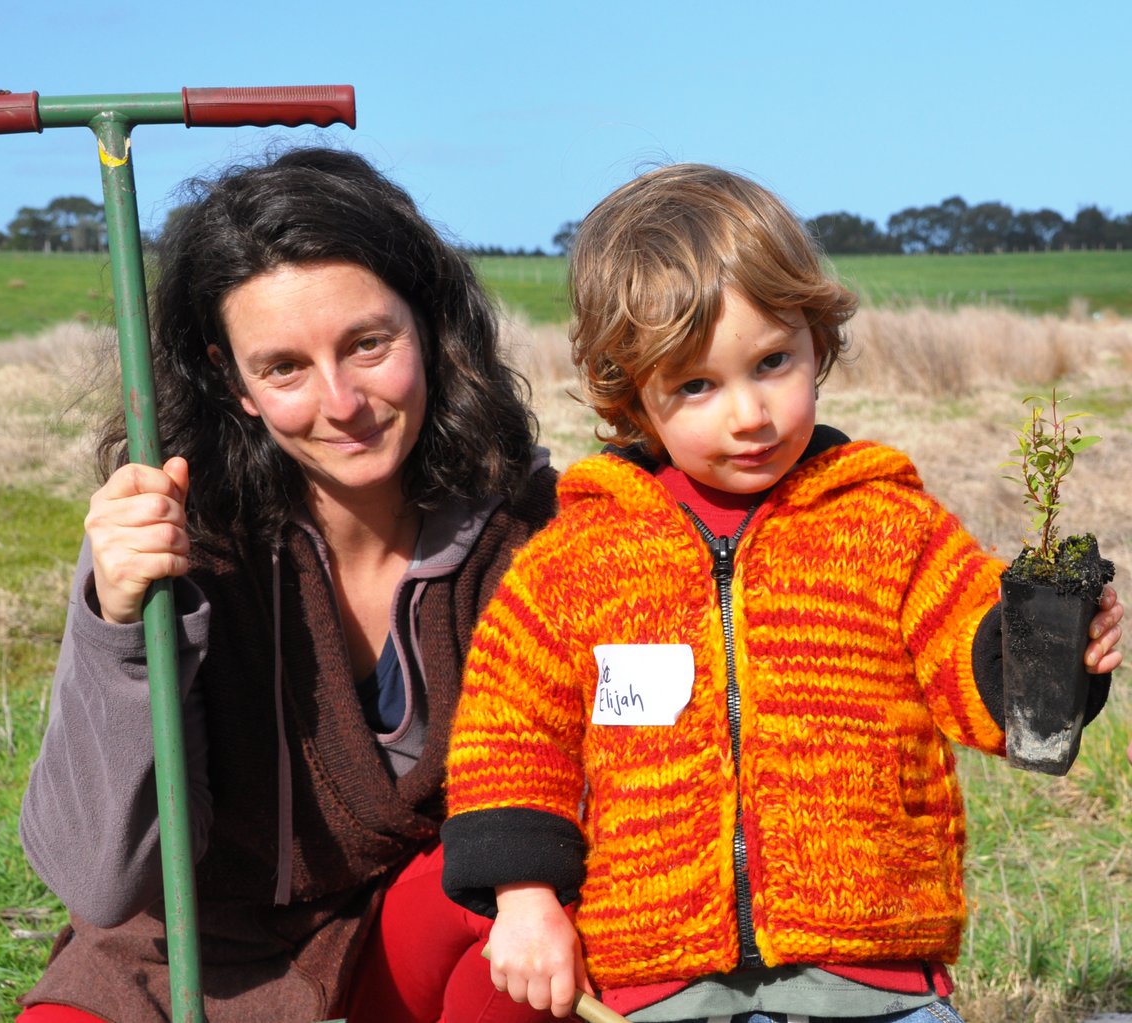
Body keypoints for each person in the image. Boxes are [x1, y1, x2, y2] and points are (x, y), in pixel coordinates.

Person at [440, 163, 1125, 1023]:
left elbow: (974, 664)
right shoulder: (577, 559)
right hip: (663, 990)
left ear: (817, 341)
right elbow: (510, 733)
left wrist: (1046, 646)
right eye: (697, 385)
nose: (749, 415)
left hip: (873, 980)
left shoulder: (887, 525)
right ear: (633, 397)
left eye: (772, 362)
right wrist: (526, 896)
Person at [15, 148, 562, 1023]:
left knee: (501, 911)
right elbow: (98, 877)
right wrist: (116, 625)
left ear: (427, 324)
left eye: (368, 344)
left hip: (412, 935)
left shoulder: (526, 533)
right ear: (232, 382)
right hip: (196, 954)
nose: (341, 402)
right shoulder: (173, 543)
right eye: (284, 368)